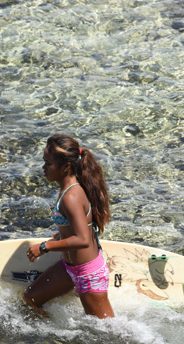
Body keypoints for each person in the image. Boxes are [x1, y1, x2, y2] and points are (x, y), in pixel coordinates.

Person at [23, 134, 115, 319]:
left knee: (108, 332)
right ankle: (56, 338)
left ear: (65, 167)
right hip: (69, 267)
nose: (43, 168)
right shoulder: (68, 190)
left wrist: (44, 247)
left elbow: (82, 239)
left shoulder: (71, 196)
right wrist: (60, 236)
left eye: (48, 163)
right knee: (30, 299)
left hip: (88, 274)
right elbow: (79, 227)